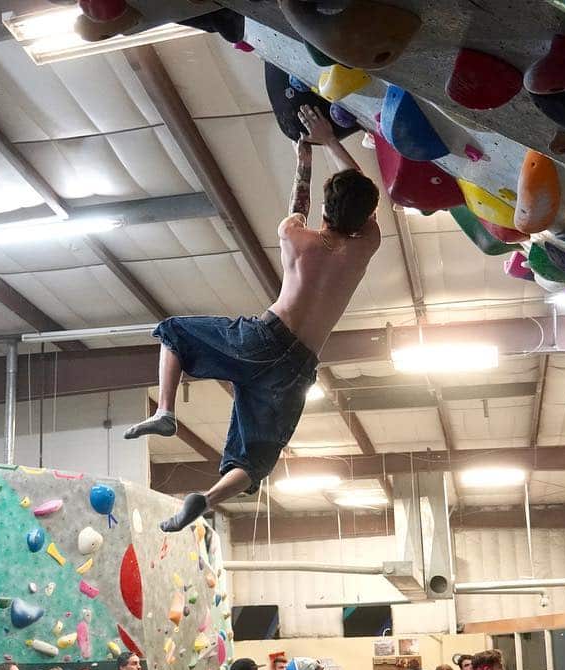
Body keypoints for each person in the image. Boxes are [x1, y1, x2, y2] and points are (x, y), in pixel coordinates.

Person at [125, 104, 382, 532]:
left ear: (325, 208)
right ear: (362, 218)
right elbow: (364, 195)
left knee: (174, 332)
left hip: (265, 339)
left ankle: (167, 410)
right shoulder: (364, 246)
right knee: (257, 458)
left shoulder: (295, 237)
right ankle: (205, 499)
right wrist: (331, 141)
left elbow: (300, 196)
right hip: (299, 367)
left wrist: (309, 148)